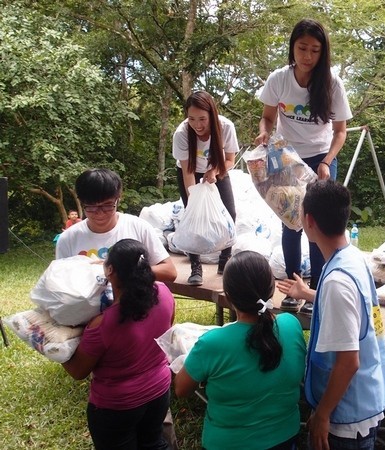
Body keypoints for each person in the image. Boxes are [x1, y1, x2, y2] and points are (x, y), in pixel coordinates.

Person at [278, 180, 385, 450]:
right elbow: (355, 307)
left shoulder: (337, 282)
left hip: (345, 420)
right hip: (366, 397)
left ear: (309, 221)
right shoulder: (352, 257)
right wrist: (309, 294)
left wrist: (322, 414)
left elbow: (348, 362)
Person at [254, 18, 352, 315]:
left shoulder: (332, 84)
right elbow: (267, 117)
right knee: (291, 222)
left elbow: (340, 131)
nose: (307, 56)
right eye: (302, 48)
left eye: (315, 50)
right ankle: (293, 288)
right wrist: (264, 131)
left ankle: (319, 290)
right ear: (292, 48)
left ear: (323, 53)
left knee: (319, 224)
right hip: (286, 158)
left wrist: (326, 162)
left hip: (320, 157)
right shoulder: (279, 79)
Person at [174, 250, 307, 450]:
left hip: (229, 443)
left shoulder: (212, 343)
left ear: (227, 295)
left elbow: (181, 389)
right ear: (271, 289)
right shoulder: (290, 325)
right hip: (285, 437)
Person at [62, 238, 175, 450]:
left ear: (110, 270)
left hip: (118, 406)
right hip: (160, 389)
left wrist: (53, 346)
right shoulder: (164, 292)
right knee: (153, 443)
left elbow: (78, 371)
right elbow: (166, 329)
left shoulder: (103, 323)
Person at [56, 168, 177, 283]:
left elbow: (169, 272)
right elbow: (60, 281)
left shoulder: (139, 228)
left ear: (118, 199)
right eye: (91, 206)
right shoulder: (68, 238)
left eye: (108, 205)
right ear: (81, 202)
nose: (100, 212)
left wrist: (121, 271)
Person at [172, 90, 239, 285]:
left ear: (212, 114)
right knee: (193, 217)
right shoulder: (182, 133)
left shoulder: (225, 127)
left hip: (218, 169)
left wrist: (214, 171)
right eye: (191, 119)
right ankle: (195, 267)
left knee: (230, 213)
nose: (197, 125)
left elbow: (230, 160)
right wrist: (194, 201)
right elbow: (187, 171)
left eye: (202, 119)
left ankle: (224, 261)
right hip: (190, 172)